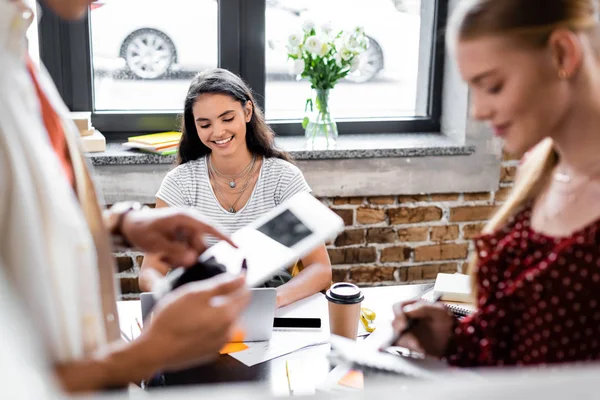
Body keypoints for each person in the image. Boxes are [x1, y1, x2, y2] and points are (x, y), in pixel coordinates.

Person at [0, 0, 250, 393]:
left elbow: (18, 230)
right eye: (204, 122)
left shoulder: (16, 52)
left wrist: (117, 223)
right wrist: (147, 355)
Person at [391, 0, 600, 366]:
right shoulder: (537, 170)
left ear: (563, 54)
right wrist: (453, 337)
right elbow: (519, 348)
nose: (477, 111)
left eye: (493, 85)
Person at [139, 68, 332, 308]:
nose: (218, 132)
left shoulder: (283, 178)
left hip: (266, 297)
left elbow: (320, 268)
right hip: (200, 301)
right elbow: (150, 271)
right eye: (205, 124)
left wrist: (268, 302)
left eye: (227, 119)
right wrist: (173, 297)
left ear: (247, 111)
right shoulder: (179, 183)